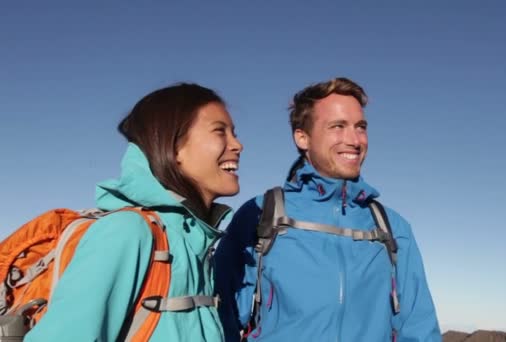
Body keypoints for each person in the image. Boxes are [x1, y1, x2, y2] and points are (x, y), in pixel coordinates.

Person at [215, 77, 440, 341]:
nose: (354, 140)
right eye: (337, 126)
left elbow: (419, 328)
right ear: (302, 137)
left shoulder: (391, 227)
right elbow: (221, 318)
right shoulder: (261, 215)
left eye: (360, 126)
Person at [25, 83, 243, 341]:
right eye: (220, 132)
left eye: (234, 133)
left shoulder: (195, 243)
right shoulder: (128, 231)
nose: (238, 145)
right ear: (173, 148)